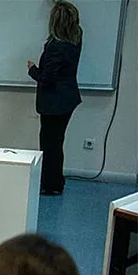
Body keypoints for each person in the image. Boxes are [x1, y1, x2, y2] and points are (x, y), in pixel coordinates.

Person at [28, 1, 83, 196]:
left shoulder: (56, 47)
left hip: (54, 102)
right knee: (56, 142)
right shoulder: (76, 37)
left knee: (49, 144)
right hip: (67, 98)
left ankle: (50, 185)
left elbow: (46, 79)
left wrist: (32, 69)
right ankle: (56, 181)